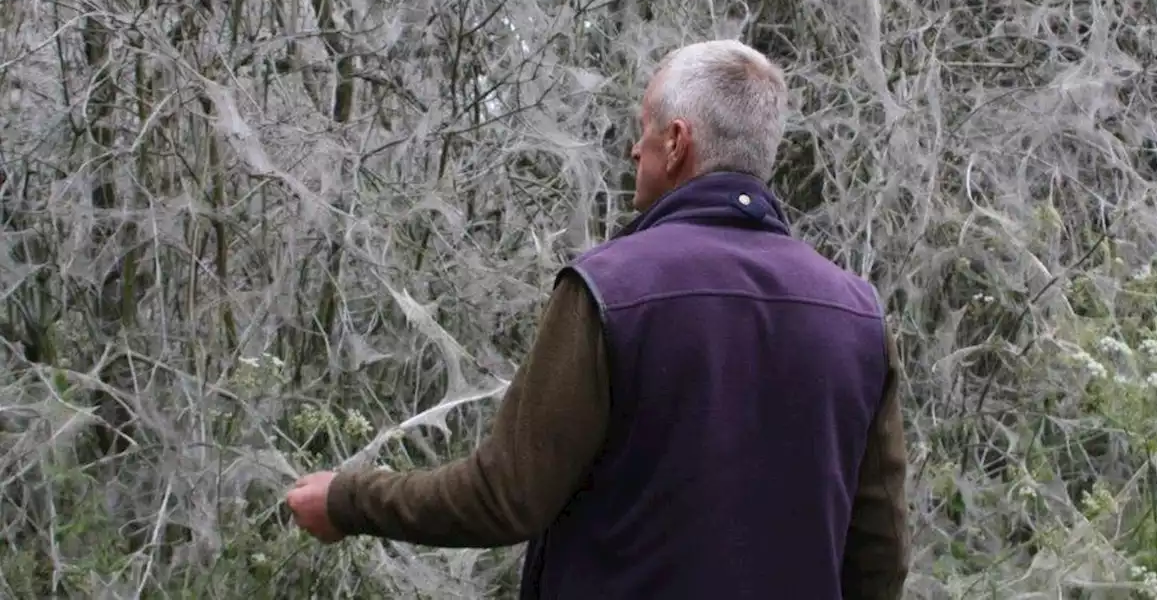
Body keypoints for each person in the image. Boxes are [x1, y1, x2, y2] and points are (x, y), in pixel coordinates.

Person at [287, 40, 910, 599]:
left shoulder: (612, 288)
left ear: (677, 142)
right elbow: (878, 557)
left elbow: (504, 496)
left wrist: (348, 500)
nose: (635, 148)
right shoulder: (856, 315)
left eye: (645, 129)